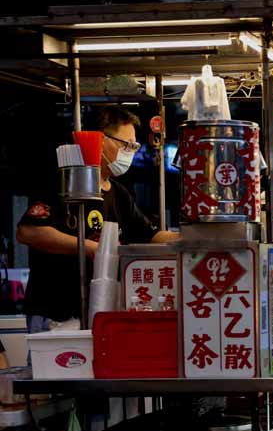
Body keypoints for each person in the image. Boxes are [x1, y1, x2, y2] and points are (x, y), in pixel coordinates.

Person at [16, 106, 178, 333]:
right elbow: (28, 231)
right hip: (56, 312)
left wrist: (191, 238)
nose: (130, 153)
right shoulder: (66, 182)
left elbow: (149, 234)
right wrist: (90, 248)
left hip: (99, 310)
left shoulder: (119, 193)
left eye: (134, 146)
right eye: (126, 145)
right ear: (100, 140)